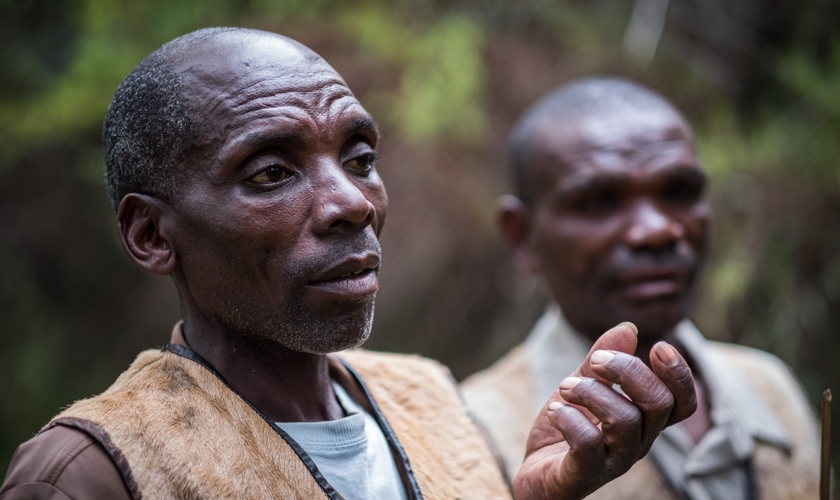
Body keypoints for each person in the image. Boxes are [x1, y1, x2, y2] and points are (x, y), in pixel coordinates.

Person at [0, 29, 697, 500]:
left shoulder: (432, 401)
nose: (352, 204)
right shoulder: (92, 472)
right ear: (152, 234)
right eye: (271, 174)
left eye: (360, 160)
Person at [461, 77, 821, 499]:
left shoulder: (769, 388)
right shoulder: (472, 430)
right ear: (523, 236)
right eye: (598, 201)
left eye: (680, 191)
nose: (657, 230)